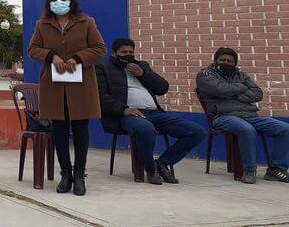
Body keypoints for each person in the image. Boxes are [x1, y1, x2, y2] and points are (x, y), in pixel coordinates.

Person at [27, 0, 106, 196]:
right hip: (53, 85)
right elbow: (32, 49)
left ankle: (79, 174)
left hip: (81, 84)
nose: (59, 1)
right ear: (49, 2)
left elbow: (99, 48)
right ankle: (65, 174)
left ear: (71, 1)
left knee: (81, 131)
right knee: (59, 131)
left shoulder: (87, 22)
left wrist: (78, 58)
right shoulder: (41, 25)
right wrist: (51, 56)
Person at [96, 38, 206, 184]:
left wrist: (143, 74)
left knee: (197, 131)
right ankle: (150, 169)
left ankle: (162, 163)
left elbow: (162, 88)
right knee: (145, 129)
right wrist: (124, 109)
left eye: (131, 52)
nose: (128, 55)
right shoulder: (103, 67)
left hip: (155, 113)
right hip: (126, 115)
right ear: (114, 53)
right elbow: (100, 96)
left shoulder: (141, 66)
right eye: (124, 52)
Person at [196, 47, 289, 184]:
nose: (226, 62)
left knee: (285, 129)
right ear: (215, 61)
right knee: (246, 129)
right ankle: (249, 170)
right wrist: (242, 88)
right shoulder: (205, 75)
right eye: (222, 60)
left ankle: (275, 169)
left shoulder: (241, 75)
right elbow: (221, 90)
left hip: (250, 115)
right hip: (223, 116)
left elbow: (257, 93)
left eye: (230, 61)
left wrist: (230, 93)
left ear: (235, 63)